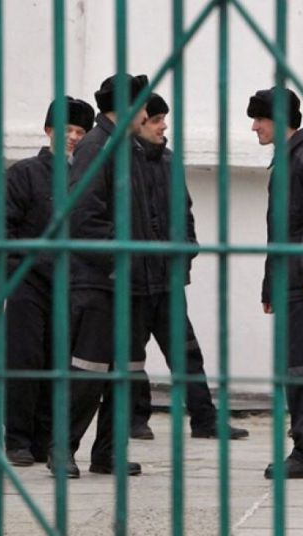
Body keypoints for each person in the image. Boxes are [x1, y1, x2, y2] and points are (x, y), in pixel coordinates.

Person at [118, 93, 249, 441]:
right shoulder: (120, 162)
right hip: (134, 279)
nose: (163, 127)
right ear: (138, 122)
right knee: (131, 355)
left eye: (163, 119)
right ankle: (134, 418)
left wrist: (188, 248)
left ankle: (204, 419)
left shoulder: (168, 161)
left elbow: (184, 211)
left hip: (168, 278)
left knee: (187, 352)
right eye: (156, 120)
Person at [0, 96, 94, 467]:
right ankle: (17, 439)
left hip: (71, 286)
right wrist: (15, 276)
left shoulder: (90, 178)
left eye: (80, 131)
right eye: (67, 129)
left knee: (58, 362)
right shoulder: (24, 174)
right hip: (28, 284)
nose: (73, 137)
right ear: (49, 130)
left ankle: (45, 439)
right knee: (25, 360)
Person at [54, 73, 150, 478]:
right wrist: (119, 258)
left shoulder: (128, 148)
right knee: (88, 372)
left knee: (124, 373)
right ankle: (62, 448)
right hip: (100, 281)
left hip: (130, 282)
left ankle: (108, 452)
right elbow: (83, 216)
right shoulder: (97, 147)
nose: (146, 115)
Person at [249, 86, 303, 479]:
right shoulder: (288, 159)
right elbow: (279, 232)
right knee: (294, 367)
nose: (254, 127)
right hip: (292, 279)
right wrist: (271, 286)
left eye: (259, 119)